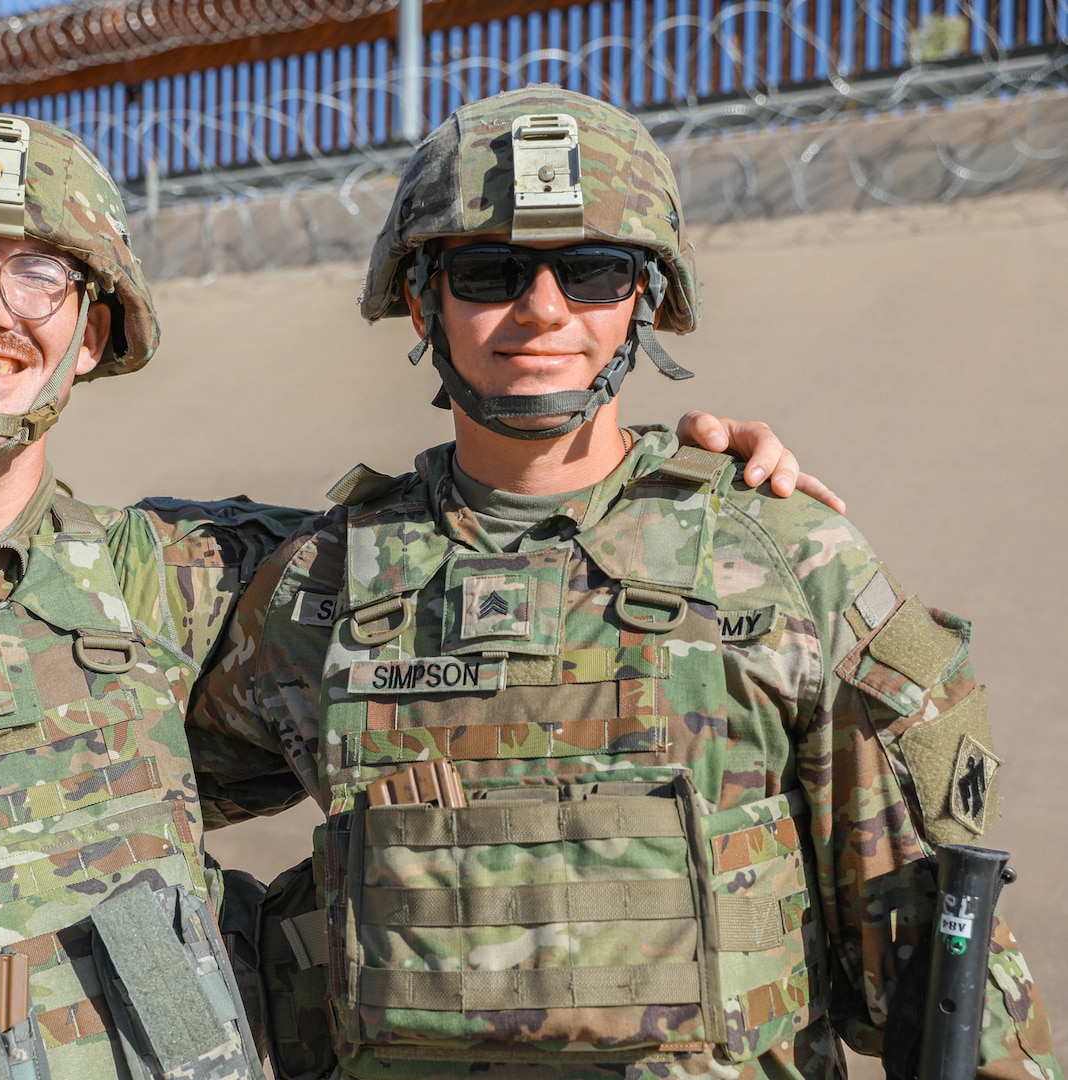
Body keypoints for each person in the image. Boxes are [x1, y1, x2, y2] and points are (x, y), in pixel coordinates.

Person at [0, 110, 834, 1080]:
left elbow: (483, 577)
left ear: (95, 330)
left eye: (40, 274)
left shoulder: (198, 581)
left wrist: (667, 468)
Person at [185, 86, 1058, 1080]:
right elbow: (96, 791)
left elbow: (936, 965)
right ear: (423, 297)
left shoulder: (787, 560)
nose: (544, 310)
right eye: (489, 271)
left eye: (594, 272)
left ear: (643, 297)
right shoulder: (319, 592)